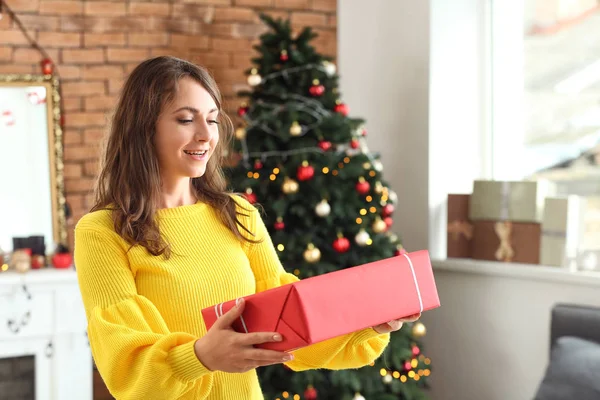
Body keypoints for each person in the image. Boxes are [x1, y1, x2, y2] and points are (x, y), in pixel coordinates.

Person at [74, 56, 420, 400]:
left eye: (212, 120)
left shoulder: (237, 213)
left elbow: (292, 320)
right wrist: (200, 357)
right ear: (143, 127)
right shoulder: (103, 231)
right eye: (185, 119)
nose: (206, 135)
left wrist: (366, 324)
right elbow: (122, 361)